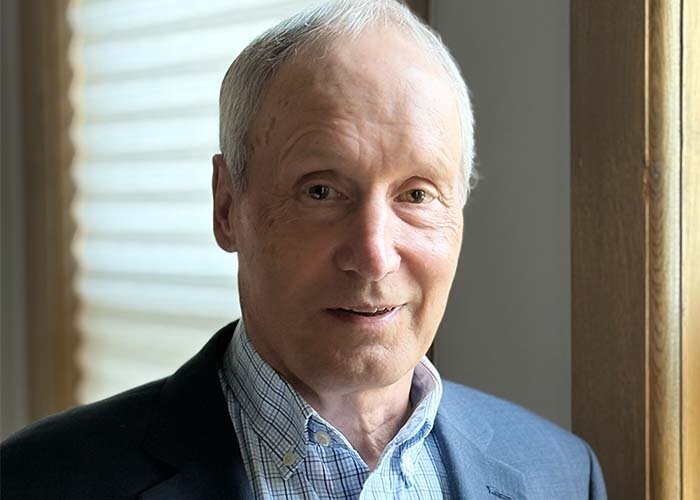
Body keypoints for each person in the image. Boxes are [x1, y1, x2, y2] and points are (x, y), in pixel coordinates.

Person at [1, 1, 606, 498]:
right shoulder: (36, 481)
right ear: (226, 207)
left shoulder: (560, 475)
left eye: (417, 194)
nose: (373, 255)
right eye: (321, 191)